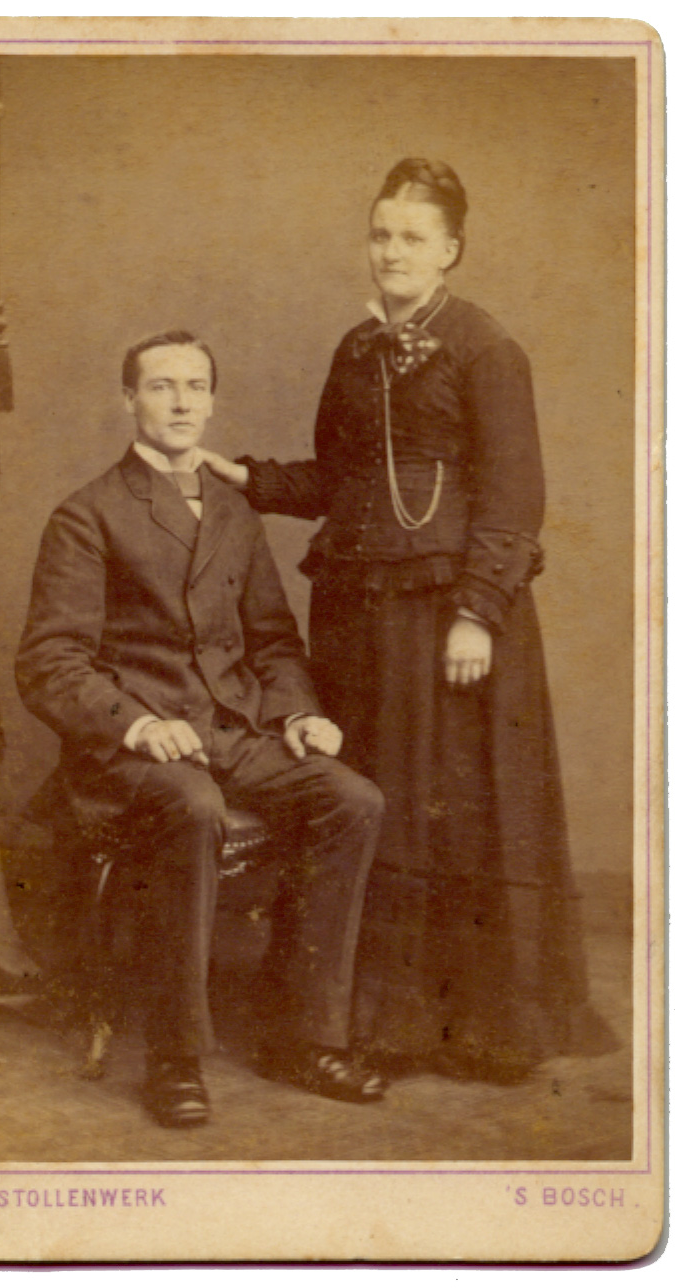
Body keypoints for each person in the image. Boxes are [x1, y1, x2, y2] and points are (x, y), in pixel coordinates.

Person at [201, 158, 617, 1083]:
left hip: (446, 617)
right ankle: (352, 1015)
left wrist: (478, 613)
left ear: (451, 251)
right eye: (381, 234)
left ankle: (464, 1027)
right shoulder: (355, 349)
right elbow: (337, 478)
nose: (392, 251)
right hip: (357, 616)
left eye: (413, 238)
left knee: (449, 803)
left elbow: (515, 495)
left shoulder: (486, 347)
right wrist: (252, 480)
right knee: (369, 795)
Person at [15, 329, 387, 1129]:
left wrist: (300, 713)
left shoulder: (232, 510)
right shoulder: (87, 514)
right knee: (192, 805)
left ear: (212, 401)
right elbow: (49, 662)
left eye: (195, 387)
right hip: (130, 749)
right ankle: (175, 1057)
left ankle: (304, 1036)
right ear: (129, 399)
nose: (181, 402)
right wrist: (138, 725)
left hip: (231, 733)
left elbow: (273, 641)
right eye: (161, 386)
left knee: (352, 799)